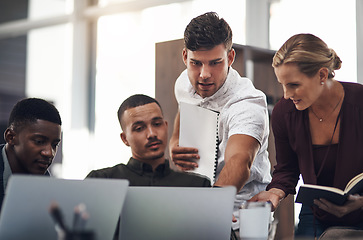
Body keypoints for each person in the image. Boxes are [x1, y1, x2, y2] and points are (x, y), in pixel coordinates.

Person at [249, 33, 363, 238]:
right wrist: (275, 193)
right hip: (316, 212)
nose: (285, 94)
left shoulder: (360, 102)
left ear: (321, 75)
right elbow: (287, 168)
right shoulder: (285, 112)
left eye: (294, 85)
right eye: (282, 85)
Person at [169, 11, 271, 227]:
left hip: (242, 214)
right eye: (196, 63)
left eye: (215, 63)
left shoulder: (247, 102)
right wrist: (173, 143)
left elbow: (240, 161)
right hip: (196, 205)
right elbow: (184, 107)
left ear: (230, 58)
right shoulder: (184, 84)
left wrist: (211, 206)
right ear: (185, 56)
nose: (204, 74)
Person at [86, 94, 210, 187]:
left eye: (157, 124)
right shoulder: (101, 181)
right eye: (139, 128)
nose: (151, 134)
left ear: (166, 126)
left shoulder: (196, 186)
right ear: (125, 139)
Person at [0, 98, 62, 209]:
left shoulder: (48, 187)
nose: (49, 153)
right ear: (11, 137)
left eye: (54, 145)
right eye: (39, 141)